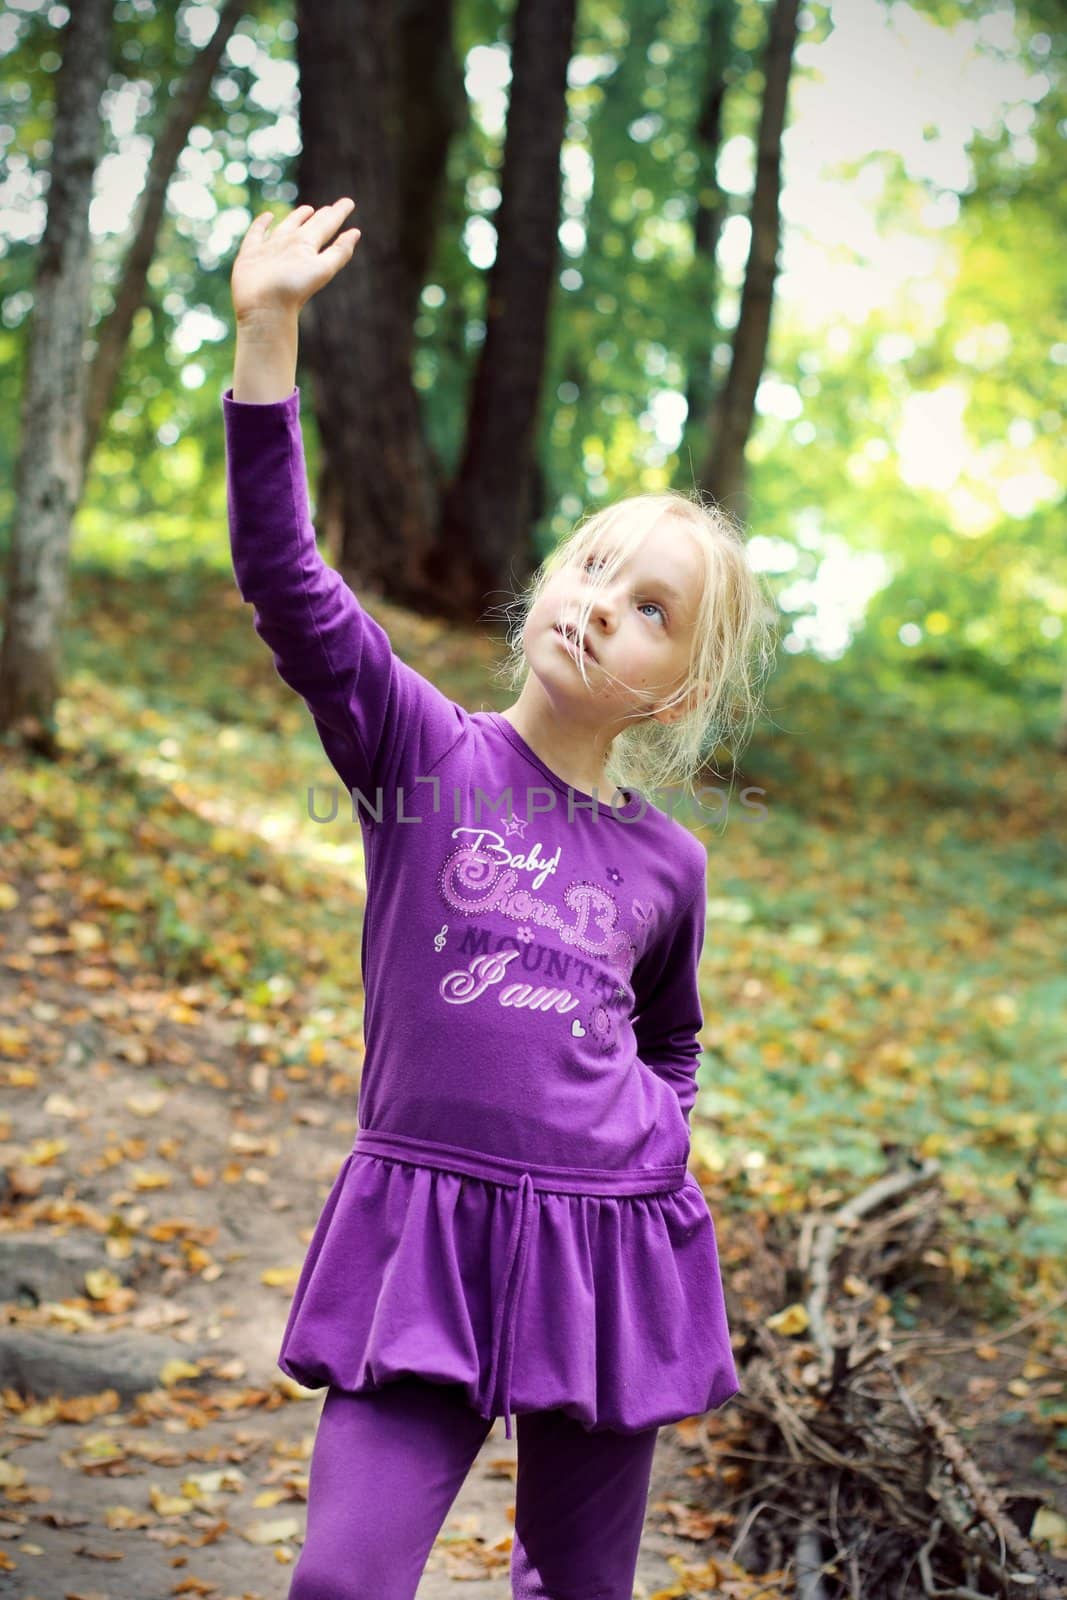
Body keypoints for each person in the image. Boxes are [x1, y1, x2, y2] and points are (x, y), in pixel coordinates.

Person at [223, 198, 775, 1600]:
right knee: (343, 1582)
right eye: (593, 568)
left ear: (681, 690)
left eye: (653, 609)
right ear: (542, 586)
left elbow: (673, 1035)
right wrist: (269, 330)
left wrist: (657, 1138)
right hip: (429, 1237)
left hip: (613, 1247)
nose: (604, 603)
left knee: (577, 1594)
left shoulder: (671, 866)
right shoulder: (424, 753)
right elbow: (287, 582)